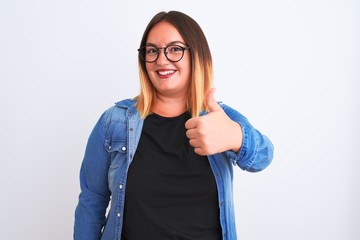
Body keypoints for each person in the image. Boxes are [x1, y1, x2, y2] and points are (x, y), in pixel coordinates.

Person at [74, 10, 273, 240]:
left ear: (196, 55)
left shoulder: (218, 118)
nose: (161, 60)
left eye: (175, 49)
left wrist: (236, 137)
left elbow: (264, 156)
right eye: (152, 51)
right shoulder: (114, 122)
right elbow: (92, 201)